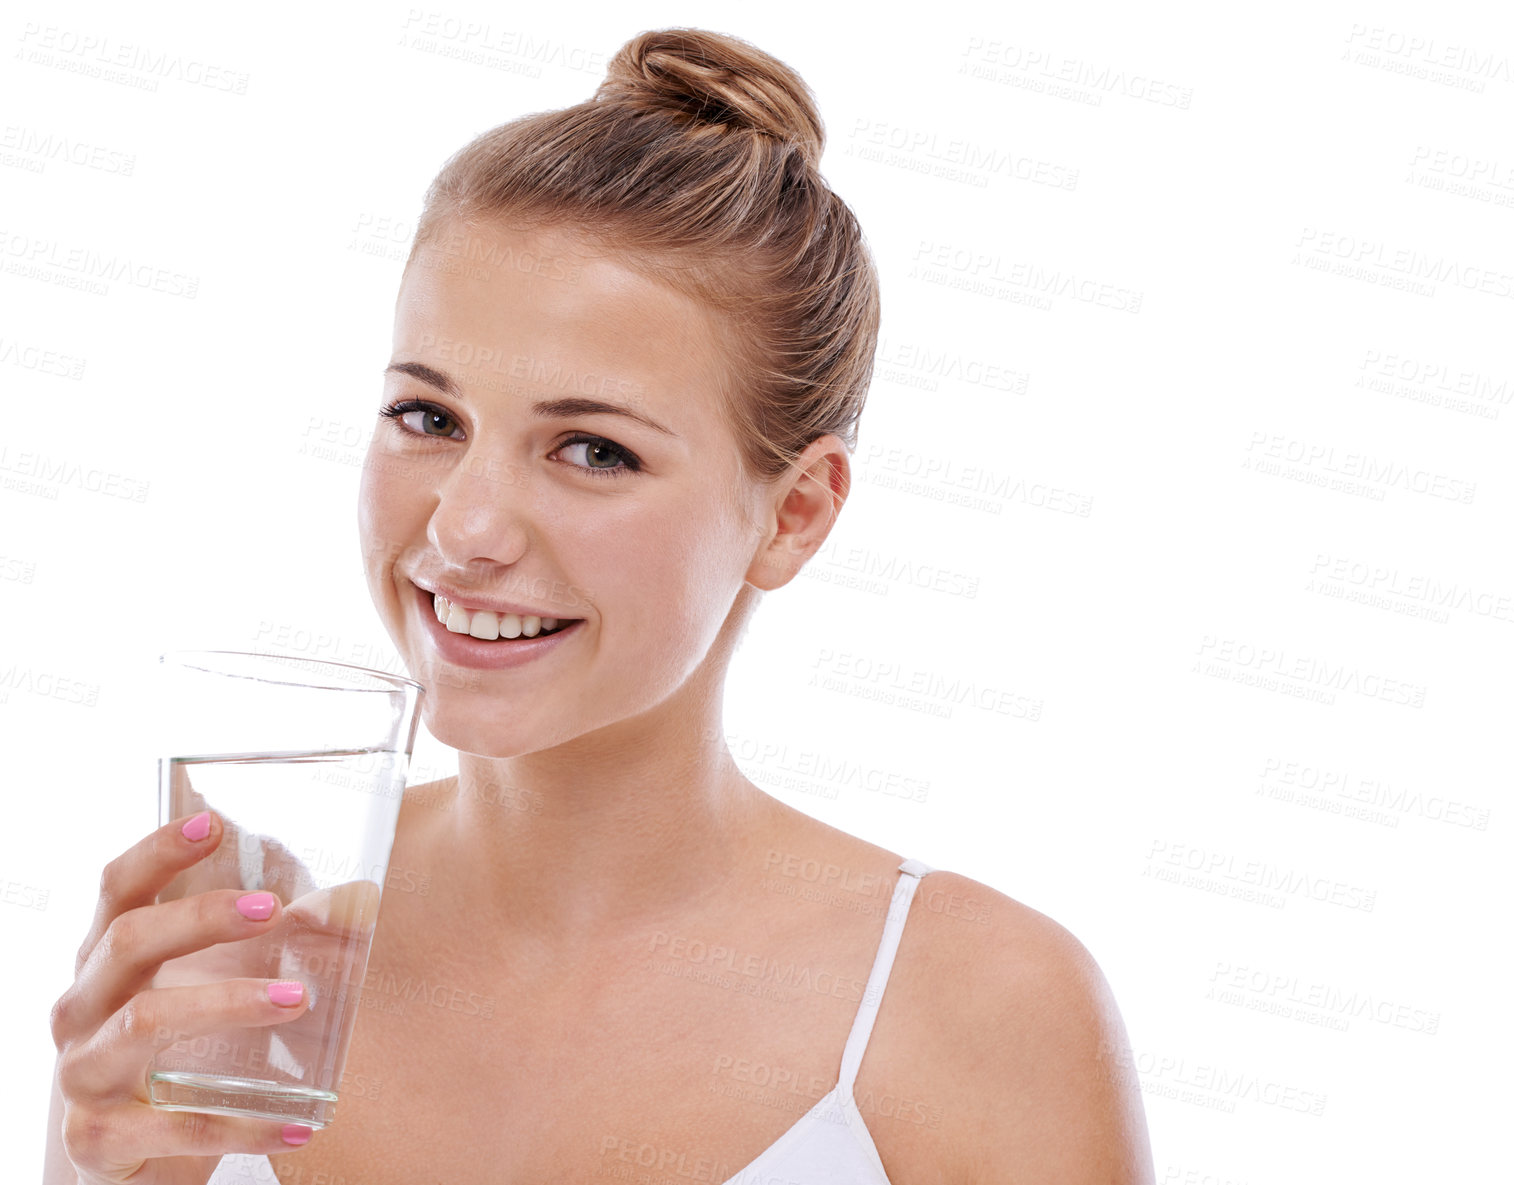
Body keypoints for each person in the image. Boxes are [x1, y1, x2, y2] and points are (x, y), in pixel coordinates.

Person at [46, 28, 1153, 1185]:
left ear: (796, 514)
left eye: (591, 448)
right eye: (430, 418)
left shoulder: (976, 1010)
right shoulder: (248, 953)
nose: (466, 529)